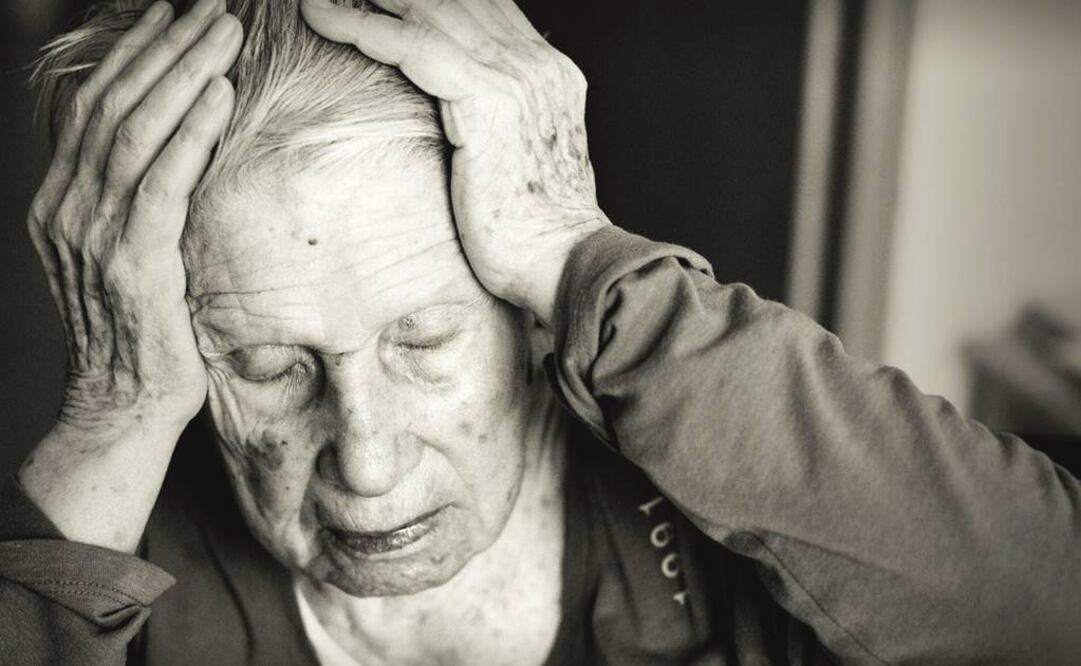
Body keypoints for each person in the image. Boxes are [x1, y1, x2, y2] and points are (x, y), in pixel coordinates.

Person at [2, 0, 1079, 663]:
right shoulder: (130, 569)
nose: (366, 463)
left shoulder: (731, 532)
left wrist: (581, 259)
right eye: (270, 366)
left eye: (424, 341)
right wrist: (113, 416)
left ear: (525, 318)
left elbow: (1048, 607)